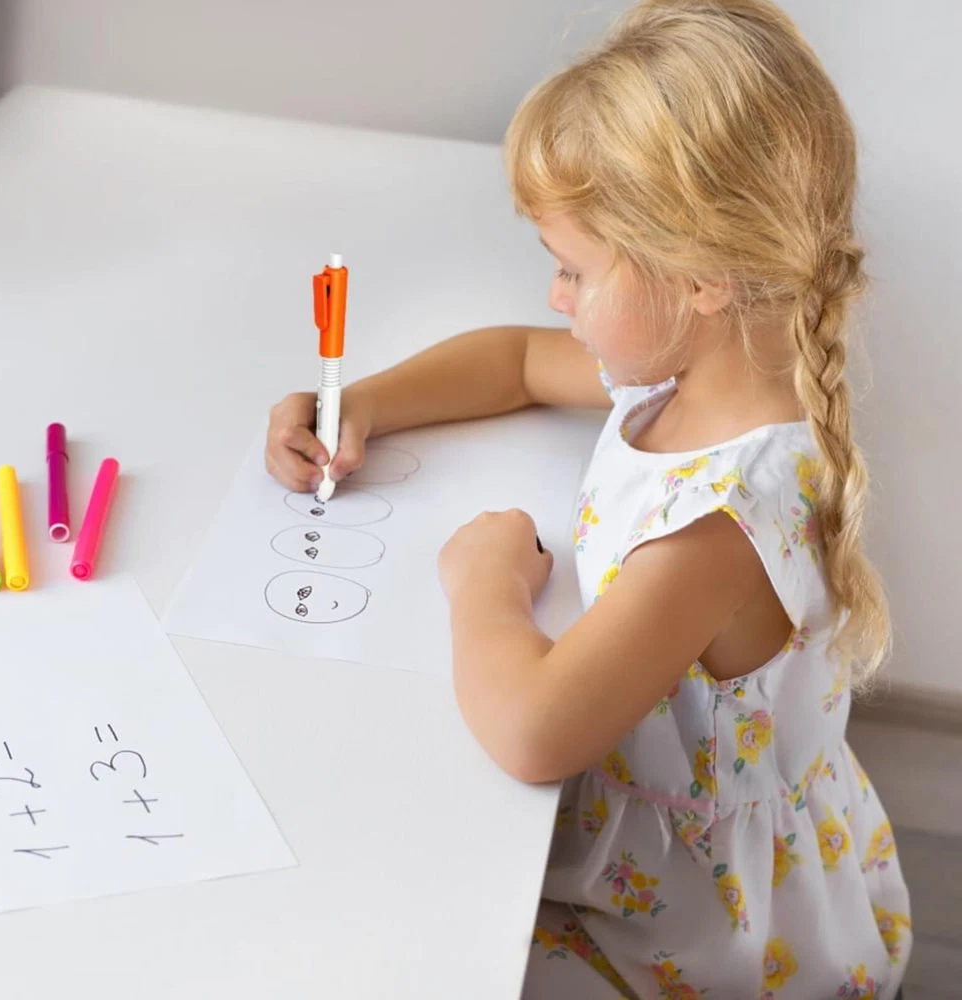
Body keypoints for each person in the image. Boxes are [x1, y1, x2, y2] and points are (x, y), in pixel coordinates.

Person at [266, 1, 912, 994]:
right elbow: (515, 362)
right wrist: (362, 404)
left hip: (705, 923)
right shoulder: (705, 370)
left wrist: (484, 584)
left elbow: (534, 730)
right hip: (687, 833)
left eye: (573, 269)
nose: (555, 297)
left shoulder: (716, 526)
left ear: (699, 277)